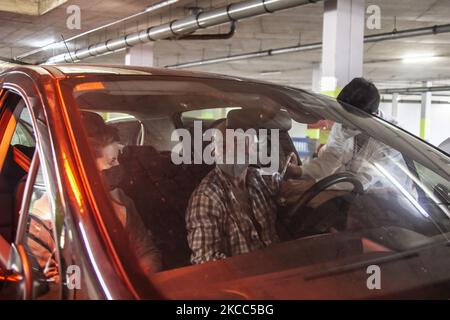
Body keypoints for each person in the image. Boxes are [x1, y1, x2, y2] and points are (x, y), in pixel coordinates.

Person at [185, 118, 300, 264]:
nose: (232, 152)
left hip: (281, 266)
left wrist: (298, 171)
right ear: (213, 152)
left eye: (238, 145)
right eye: (224, 146)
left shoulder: (260, 178)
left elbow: (297, 189)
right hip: (245, 280)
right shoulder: (207, 197)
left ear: (252, 150)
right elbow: (204, 260)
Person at [287, 77, 413, 192]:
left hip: (390, 199)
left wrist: (315, 185)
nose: (344, 124)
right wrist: (300, 171)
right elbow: (330, 158)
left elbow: (364, 180)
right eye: (343, 117)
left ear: (371, 116)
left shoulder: (389, 137)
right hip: (353, 193)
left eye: (351, 119)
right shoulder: (343, 123)